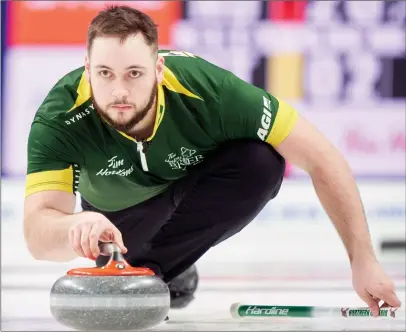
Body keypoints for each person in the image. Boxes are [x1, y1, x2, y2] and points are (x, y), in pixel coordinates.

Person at [23, 5, 401, 314]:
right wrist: (77, 227)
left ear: (158, 70)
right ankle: (165, 270)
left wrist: (362, 259)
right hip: (116, 221)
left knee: (261, 161)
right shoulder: (60, 117)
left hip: (189, 191)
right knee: (105, 235)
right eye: (104, 74)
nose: (119, 91)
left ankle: (156, 271)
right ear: (88, 70)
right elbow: (39, 234)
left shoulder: (209, 89)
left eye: (134, 73)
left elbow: (323, 158)